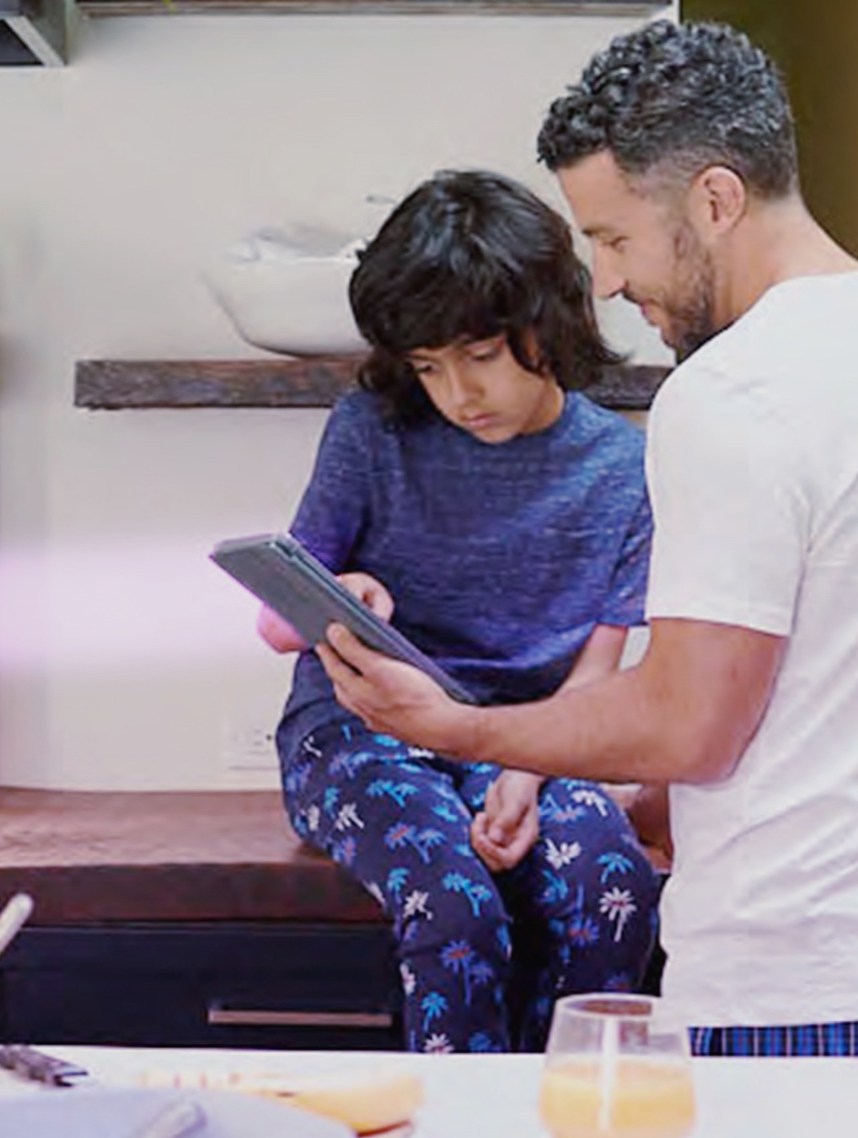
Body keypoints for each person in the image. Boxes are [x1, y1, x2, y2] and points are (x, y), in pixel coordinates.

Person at [319, 21, 858, 1138]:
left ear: (713, 199)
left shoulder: (731, 395)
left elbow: (690, 721)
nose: (603, 280)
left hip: (807, 988)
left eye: (613, 236)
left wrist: (459, 725)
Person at [256, 169, 661, 1056]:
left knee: (612, 888)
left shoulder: (623, 470)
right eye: (429, 367)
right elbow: (281, 621)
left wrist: (524, 771)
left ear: (549, 323)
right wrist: (343, 603)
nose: (457, 395)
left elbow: (599, 668)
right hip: (357, 734)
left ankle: (565, 1124)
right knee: (452, 905)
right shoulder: (371, 429)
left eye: (479, 358)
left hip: (529, 739)